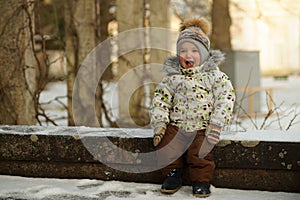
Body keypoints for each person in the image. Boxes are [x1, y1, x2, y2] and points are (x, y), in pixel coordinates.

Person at [150, 17, 236, 198]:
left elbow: (225, 98)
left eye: (194, 50)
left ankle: (201, 180)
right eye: (183, 50)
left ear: (204, 54)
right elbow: (161, 100)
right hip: (176, 125)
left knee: (201, 153)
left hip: (202, 126)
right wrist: (160, 123)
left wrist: (216, 124)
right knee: (166, 146)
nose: (188, 55)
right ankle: (172, 174)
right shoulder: (172, 77)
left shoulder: (214, 76)